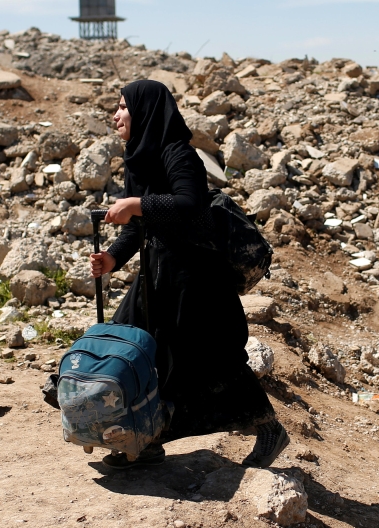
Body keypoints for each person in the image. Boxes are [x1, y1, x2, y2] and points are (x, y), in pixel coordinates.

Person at [89, 80, 289, 469]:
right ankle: (144, 440)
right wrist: (113, 259)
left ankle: (268, 428)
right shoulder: (139, 160)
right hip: (156, 275)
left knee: (209, 357)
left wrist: (136, 203)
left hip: (195, 278)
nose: (115, 115)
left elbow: (189, 202)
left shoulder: (178, 153)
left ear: (144, 112)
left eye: (122, 107)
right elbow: (137, 227)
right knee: (135, 350)